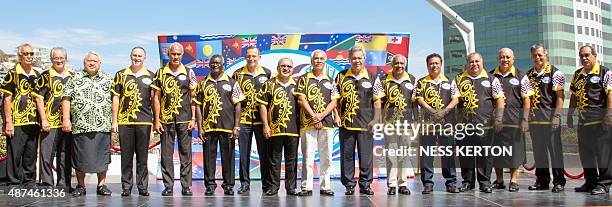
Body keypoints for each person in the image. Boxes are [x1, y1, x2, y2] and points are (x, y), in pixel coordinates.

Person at [61, 51, 113, 196]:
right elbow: (66, 99)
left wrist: (114, 121)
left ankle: (101, 185)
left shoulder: (108, 79)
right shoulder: (74, 78)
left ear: (99, 63)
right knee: (80, 156)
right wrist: (66, 119)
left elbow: (115, 100)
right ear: (84, 63)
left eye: (95, 61)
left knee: (102, 157)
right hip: (80, 126)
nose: (91, 63)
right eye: (89, 61)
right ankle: (81, 185)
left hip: (103, 125)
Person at [335, 45, 385, 195]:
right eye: (354, 58)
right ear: (349, 59)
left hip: (366, 125)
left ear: (364, 59)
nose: (357, 60)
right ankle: (349, 185)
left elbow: (377, 101)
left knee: (366, 157)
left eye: (359, 58)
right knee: (347, 156)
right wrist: (336, 116)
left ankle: (365, 185)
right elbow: (335, 100)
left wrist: (376, 119)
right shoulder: (340, 76)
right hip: (346, 124)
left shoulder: (373, 77)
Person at [452, 52, 505, 193]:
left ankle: (484, 182)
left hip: (486, 125)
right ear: (467, 64)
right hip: (464, 125)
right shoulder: (458, 79)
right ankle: (467, 182)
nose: (474, 64)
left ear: (482, 62)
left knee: (485, 155)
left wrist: (499, 118)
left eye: (477, 61)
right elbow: (455, 100)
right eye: (471, 62)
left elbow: (500, 100)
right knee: (466, 154)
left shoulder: (492, 78)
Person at [152, 42, 197, 196]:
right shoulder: (160, 73)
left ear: (182, 55)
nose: (176, 56)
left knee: (186, 154)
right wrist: (157, 120)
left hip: (185, 119)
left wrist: (193, 119)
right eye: (173, 54)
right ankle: (168, 186)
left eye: (178, 54)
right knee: (166, 154)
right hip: (166, 120)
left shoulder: (190, 72)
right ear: (168, 54)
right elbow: (156, 98)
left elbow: (193, 97)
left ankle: (186, 186)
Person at [195, 54, 243, 196]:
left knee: (228, 157)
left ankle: (228, 185)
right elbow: (197, 106)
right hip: (208, 127)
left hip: (228, 127)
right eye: (212, 63)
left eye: (217, 63)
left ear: (223, 64)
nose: (215, 65)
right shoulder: (203, 84)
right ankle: (210, 185)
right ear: (209, 65)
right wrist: (200, 126)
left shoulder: (232, 83)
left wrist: (236, 126)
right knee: (208, 158)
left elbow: (238, 105)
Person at [1, 43, 48, 188]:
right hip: (17, 121)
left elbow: (42, 98)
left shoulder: (37, 75)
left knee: (31, 153)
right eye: (26, 54)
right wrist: (8, 121)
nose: (29, 56)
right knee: (15, 153)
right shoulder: (13, 74)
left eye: (31, 54)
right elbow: (7, 99)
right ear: (20, 56)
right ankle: (13, 181)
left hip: (33, 121)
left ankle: (29, 181)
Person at [567, 45, 612, 195]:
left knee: (603, 153)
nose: (584, 58)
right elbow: (573, 95)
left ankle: (605, 183)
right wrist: (569, 115)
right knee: (586, 154)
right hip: (583, 121)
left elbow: (610, 94)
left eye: (587, 55)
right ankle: (590, 182)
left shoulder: (605, 72)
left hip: (600, 121)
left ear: (594, 55)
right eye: (581, 55)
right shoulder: (577, 74)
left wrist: (609, 115)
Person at [111, 47, 154, 196]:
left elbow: (155, 100)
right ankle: (126, 187)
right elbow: (115, 98)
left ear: (145, 58)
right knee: (126, 156)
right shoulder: (121, 74)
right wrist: (114, 121)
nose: (137, 58)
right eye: (135, 55)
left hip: (145, 121)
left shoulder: (152, 75)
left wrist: (155, 120)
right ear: (131, 56)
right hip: (125, 121)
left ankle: (143, 187)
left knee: (143, 156)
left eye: (140, 56)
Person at [415, 53, 460, 194]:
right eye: (431, 63)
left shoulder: (449, 81)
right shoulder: (421, 82)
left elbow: (456, 99)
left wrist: (444, 111)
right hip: (427, 125)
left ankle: (451, 182)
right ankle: (428, 183)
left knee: (448, 153)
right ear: (427, 65)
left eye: (436, 63)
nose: (434, 66)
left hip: (446, 124)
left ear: (441, 64)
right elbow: (419, 99)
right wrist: (433, 111)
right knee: (427, 154)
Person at [294, 50, 337, 196]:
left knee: (327, 157)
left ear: (325, 61)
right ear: (311, 61)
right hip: (307, 123)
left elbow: (334, 101)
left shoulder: (331, 80)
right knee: (308, 157)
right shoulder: (304, 78)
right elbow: (301, 100)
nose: (318, 61)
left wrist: (322, 116)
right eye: (316, 59)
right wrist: (314, 116)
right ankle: (306, 187)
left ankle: (325, 186)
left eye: (321, 59)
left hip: (327, 123)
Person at [490, 48, 533, 192]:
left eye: (508, 57)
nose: (505, 60)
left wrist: (525, 119)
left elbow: (527, 99)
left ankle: (513, 180)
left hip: (515, 120)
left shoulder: (521, 76)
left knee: (514, 151)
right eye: (502, 57)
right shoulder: (490, 75)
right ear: (498, 58)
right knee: (497, 151)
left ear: (513, 59)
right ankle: (499, 180)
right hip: (495, 122)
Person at [525, 44, 566, 193]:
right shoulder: (528, 75)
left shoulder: (556, 73)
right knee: (539, 152)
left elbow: (560, 97)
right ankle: (542, 180)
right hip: (535, 121)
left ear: (545, 55)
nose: (537, 58)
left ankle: (559, 181)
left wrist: (556, 116)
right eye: (534, 55)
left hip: (551, 120)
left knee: (555, 153)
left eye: (540, 55)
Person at [257, 58, 300, 196]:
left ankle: (291, 187)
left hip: (293, 129)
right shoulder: (269, 84)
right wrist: (265, 125)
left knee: (291, 160)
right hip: (274, 130)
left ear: (292, 69)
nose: (286, 68)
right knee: (274, 160)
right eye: (283, 66)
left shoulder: (298, 85)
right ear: (278, 67)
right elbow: (262, 104)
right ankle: (273, 187)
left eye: (289, 66)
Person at [232, 46, 272, 194]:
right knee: (243, 154)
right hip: (243, 120)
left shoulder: (267, 73)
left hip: (262, 121)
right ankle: (244, 183)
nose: (251, 59)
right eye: (249, 56)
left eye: (254, 56)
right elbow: (234, 99)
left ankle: (266, 184)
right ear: (245, 57)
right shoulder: (237, 74)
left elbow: (271, 97)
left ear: (259, 57)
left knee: (264, 154)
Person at [35, 47, 73, 191]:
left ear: (66, 59)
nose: (59, 60)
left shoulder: (71, 76)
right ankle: (47, 183)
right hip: (50, 122)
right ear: (51, 59)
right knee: (47, 155)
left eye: (61, 58)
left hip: (67, 122)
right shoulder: (45, 76)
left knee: (65, 155)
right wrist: (43, 119)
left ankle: (64, 183)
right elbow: (39, 99)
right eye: (56, 58)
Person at [380, 54, 415, 195]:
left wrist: (416, 120)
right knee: (391, 155)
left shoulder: (412, 79)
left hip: (407, 124)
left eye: (402, 63)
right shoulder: (383, 80)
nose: (399, 65)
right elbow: (378, 103)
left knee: (404, 154)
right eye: (396, 63)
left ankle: (402, 183)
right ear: (392, 64)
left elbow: (414, 103)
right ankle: (392, 184)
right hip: (390, 124)